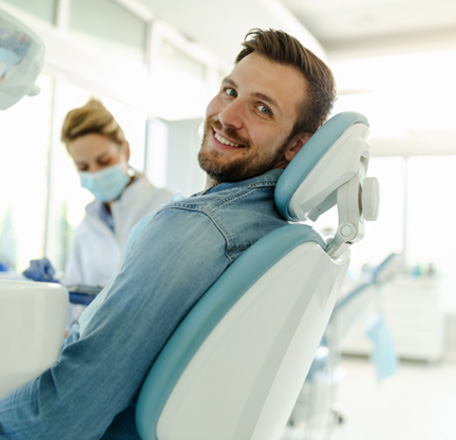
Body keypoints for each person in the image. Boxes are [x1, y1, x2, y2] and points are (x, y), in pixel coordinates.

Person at [0, 28, 337, 439]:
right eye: (230, 92)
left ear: (295, 146)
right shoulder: (270, 232)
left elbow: (56, 417)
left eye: (262, 109)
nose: (228, 117)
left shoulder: (199, 225)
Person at [23, 98, 175, 288]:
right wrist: (51, 288)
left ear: (125, 151)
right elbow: (75, 301)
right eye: (83, 166)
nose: (94, 173)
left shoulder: (166, 205)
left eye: (104, 161)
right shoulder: (87, 226)